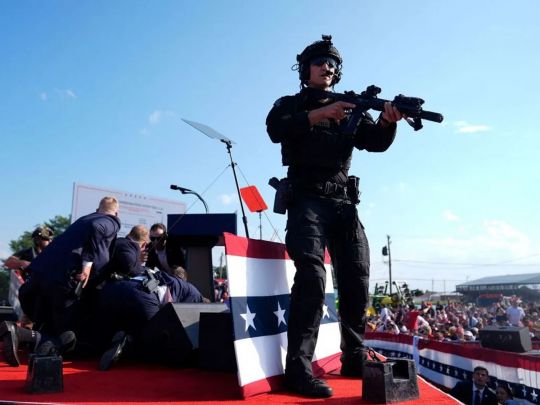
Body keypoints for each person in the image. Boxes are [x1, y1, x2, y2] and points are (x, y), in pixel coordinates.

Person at [266, 35, 403, 398]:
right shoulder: (291, 104)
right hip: (306, 200)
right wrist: (320, 114)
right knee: (312, 277)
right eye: (319, 62)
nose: (327, 67)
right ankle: (298, 369)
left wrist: (388, 121)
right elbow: (275, 129)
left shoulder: (351, 106)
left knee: (357, 276)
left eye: (332, 63)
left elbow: (375, 142)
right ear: (305, 69)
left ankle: (354, 357)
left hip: (343, 203)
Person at [18, 196, 121, 337]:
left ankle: (20, 336)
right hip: (64, 278)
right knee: (63, 330)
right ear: (116, 213)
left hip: (41, 273)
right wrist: (87, 264)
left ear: (97, 210)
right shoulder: (111, 221)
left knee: (43, 324)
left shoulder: (83, 220)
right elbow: (97, 227)